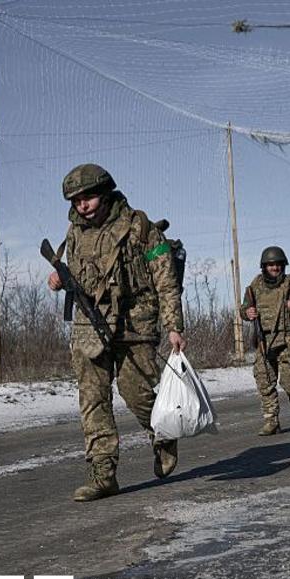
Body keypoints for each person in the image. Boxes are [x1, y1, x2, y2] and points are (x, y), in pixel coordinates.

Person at [46, 163, 185, 502]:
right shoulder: (74, 233)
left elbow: (166, 280)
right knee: (92, 399)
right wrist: (59, 280)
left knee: (135, 392)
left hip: (133, 322)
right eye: (77, 201)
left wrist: (173, 327)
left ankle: (163, 437)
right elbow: (79, 276)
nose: (83, 206)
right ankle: (102, 473)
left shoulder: (139, 227)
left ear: (105, 193)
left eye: (89, 197)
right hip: (89, 324)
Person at [240, 246, 290, 435]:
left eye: (277, 264)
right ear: (264, 266)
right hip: (264, 341)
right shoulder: (255, 287)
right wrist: (247, 312)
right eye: (270, 265)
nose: (274, 268)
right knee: (264, 381)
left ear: (283, 265)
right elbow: (244, 308)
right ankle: (271, 420)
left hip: (288, 341)